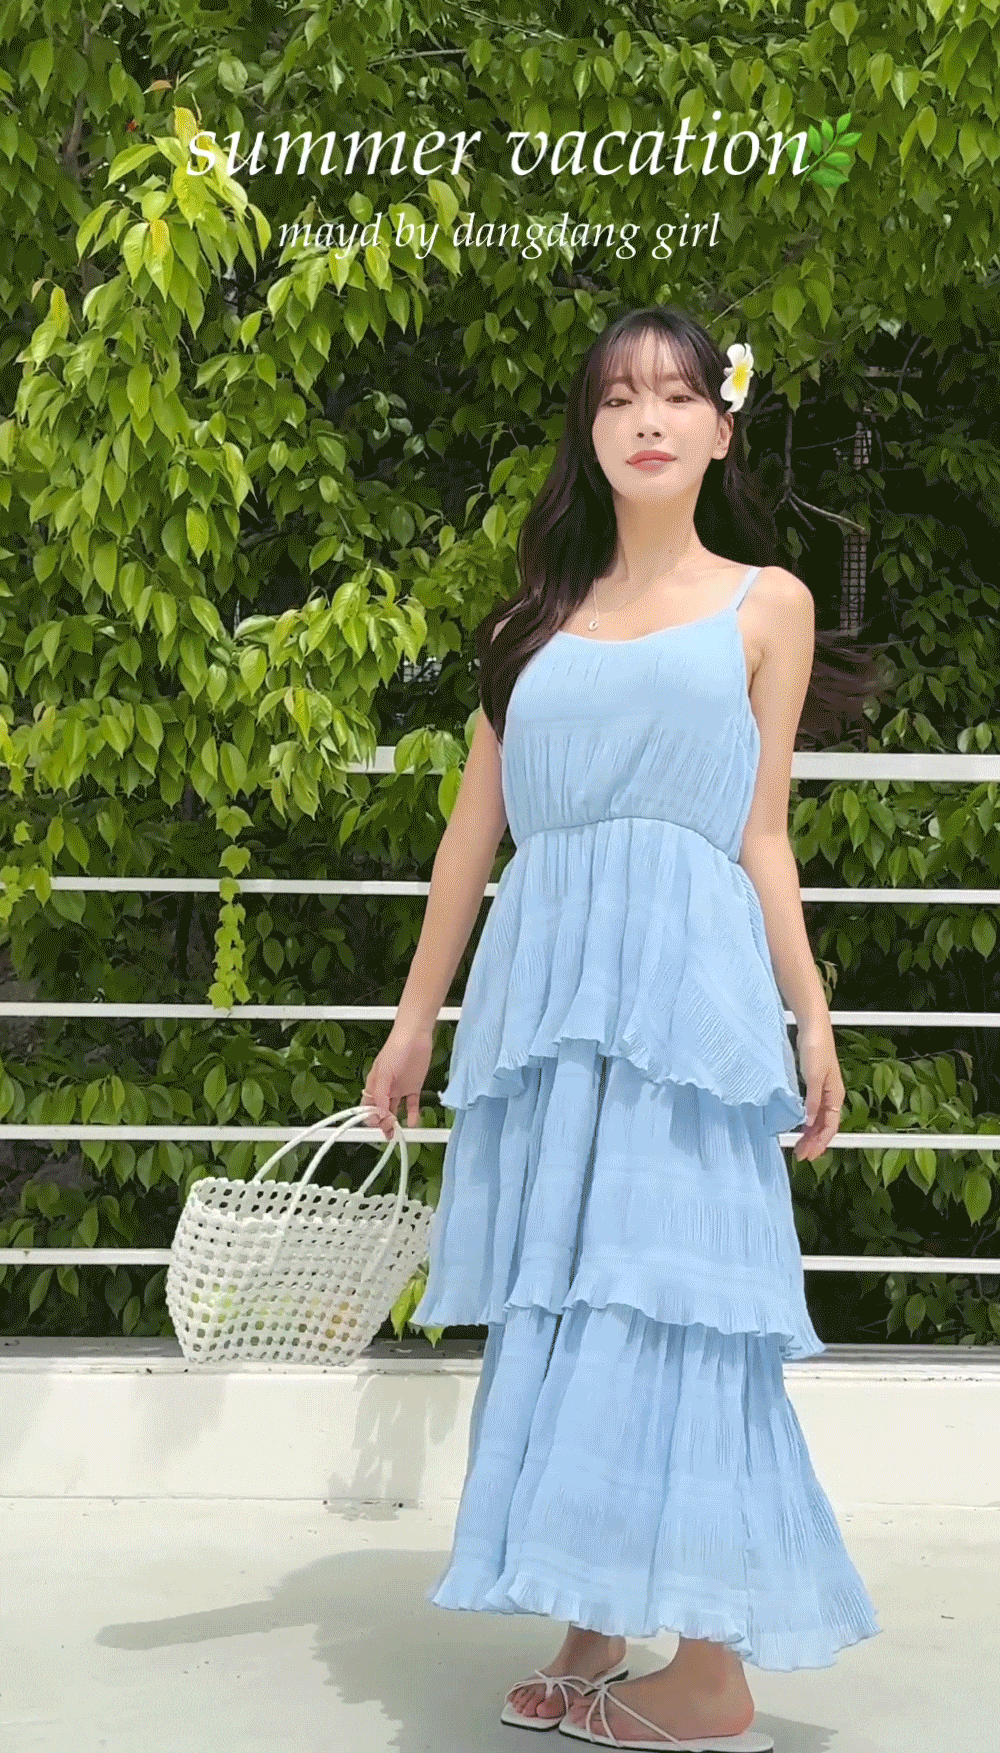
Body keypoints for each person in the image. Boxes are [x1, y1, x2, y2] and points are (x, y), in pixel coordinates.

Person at [362, 304, 882, 1751]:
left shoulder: (767, 602)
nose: (647, 418)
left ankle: (709, 1671)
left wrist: (812, 1019)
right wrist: (412, 1024)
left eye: (675, 394)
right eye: (616, 398)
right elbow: (471, 839)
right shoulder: (526, 626)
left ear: (721, 427)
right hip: (547, 1005)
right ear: (588, 435)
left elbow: (762, 834)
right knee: (570, 1298)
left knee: (680, 1298)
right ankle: (593, 1614)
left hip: (684, 1001)